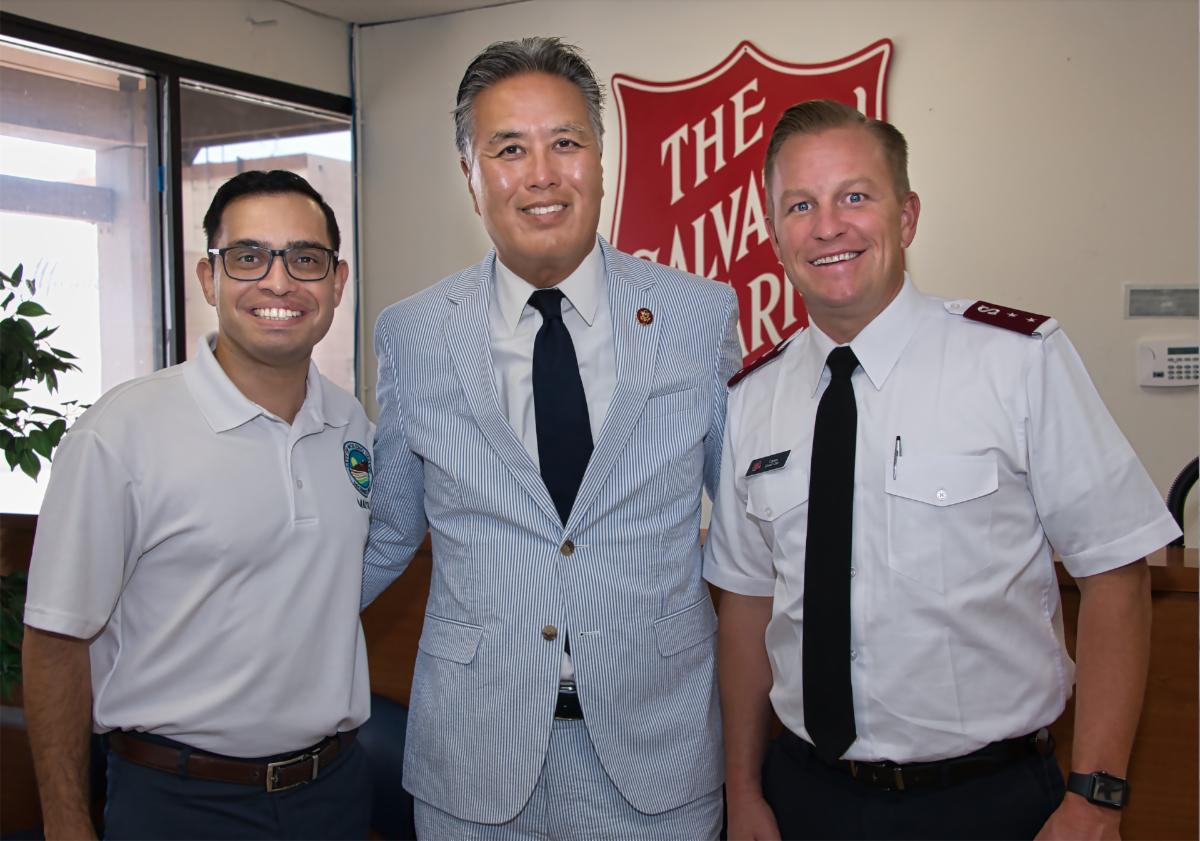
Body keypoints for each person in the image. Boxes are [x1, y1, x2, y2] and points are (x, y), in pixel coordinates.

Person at [704, 99, 1181, 841]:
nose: (828, 225)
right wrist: (743, 788)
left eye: (855, 196)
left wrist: (1095, 797)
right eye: (801, 204)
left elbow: (1116, 571)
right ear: (775, 233)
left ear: (908, 215)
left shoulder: (1017, 361)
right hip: (805, 797)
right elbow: (745, 609)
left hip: (989, 801)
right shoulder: (751, 400)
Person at [363, 36, 741, 840]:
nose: (541, 174)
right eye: (508, 149)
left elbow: (749, 534)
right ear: (471, 176)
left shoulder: (697, 316)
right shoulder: (414, 333)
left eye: (566, 143)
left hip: (660, 759)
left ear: (601, 161)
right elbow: (387, 535)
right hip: (475, 760)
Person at [22, 170, 373, 840]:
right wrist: (65, 819)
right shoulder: (120, 432)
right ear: (208, 279)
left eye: (305, 258)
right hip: (178, 803)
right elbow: (55, 640)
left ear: (336, 281)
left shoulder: (352, 426)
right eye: (248, 257)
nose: (278, 282)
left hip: (332, 795)